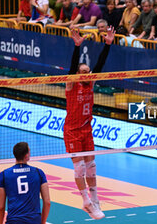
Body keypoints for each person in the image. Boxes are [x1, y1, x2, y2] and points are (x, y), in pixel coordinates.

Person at [64, 27, 115, 220]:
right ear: (78, 73)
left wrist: (108, 44)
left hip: (86, 129)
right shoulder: (71, 84)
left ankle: (95, 200)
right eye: (83, 72)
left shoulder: (91, 83)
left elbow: (100, 65)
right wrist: (77, 47)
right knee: (79, 169)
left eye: (88, 72)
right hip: (71, 131)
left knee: (91, 166)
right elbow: (71, 69)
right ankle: (85, 200)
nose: (87, 74)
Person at [0, 142, 51, 224]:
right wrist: (42, 222)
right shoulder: (38, 173)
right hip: (34, 221)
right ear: (26, 156)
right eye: (29, 151)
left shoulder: (3, 175)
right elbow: (47, 202)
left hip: (13, 221)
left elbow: (1, 207)